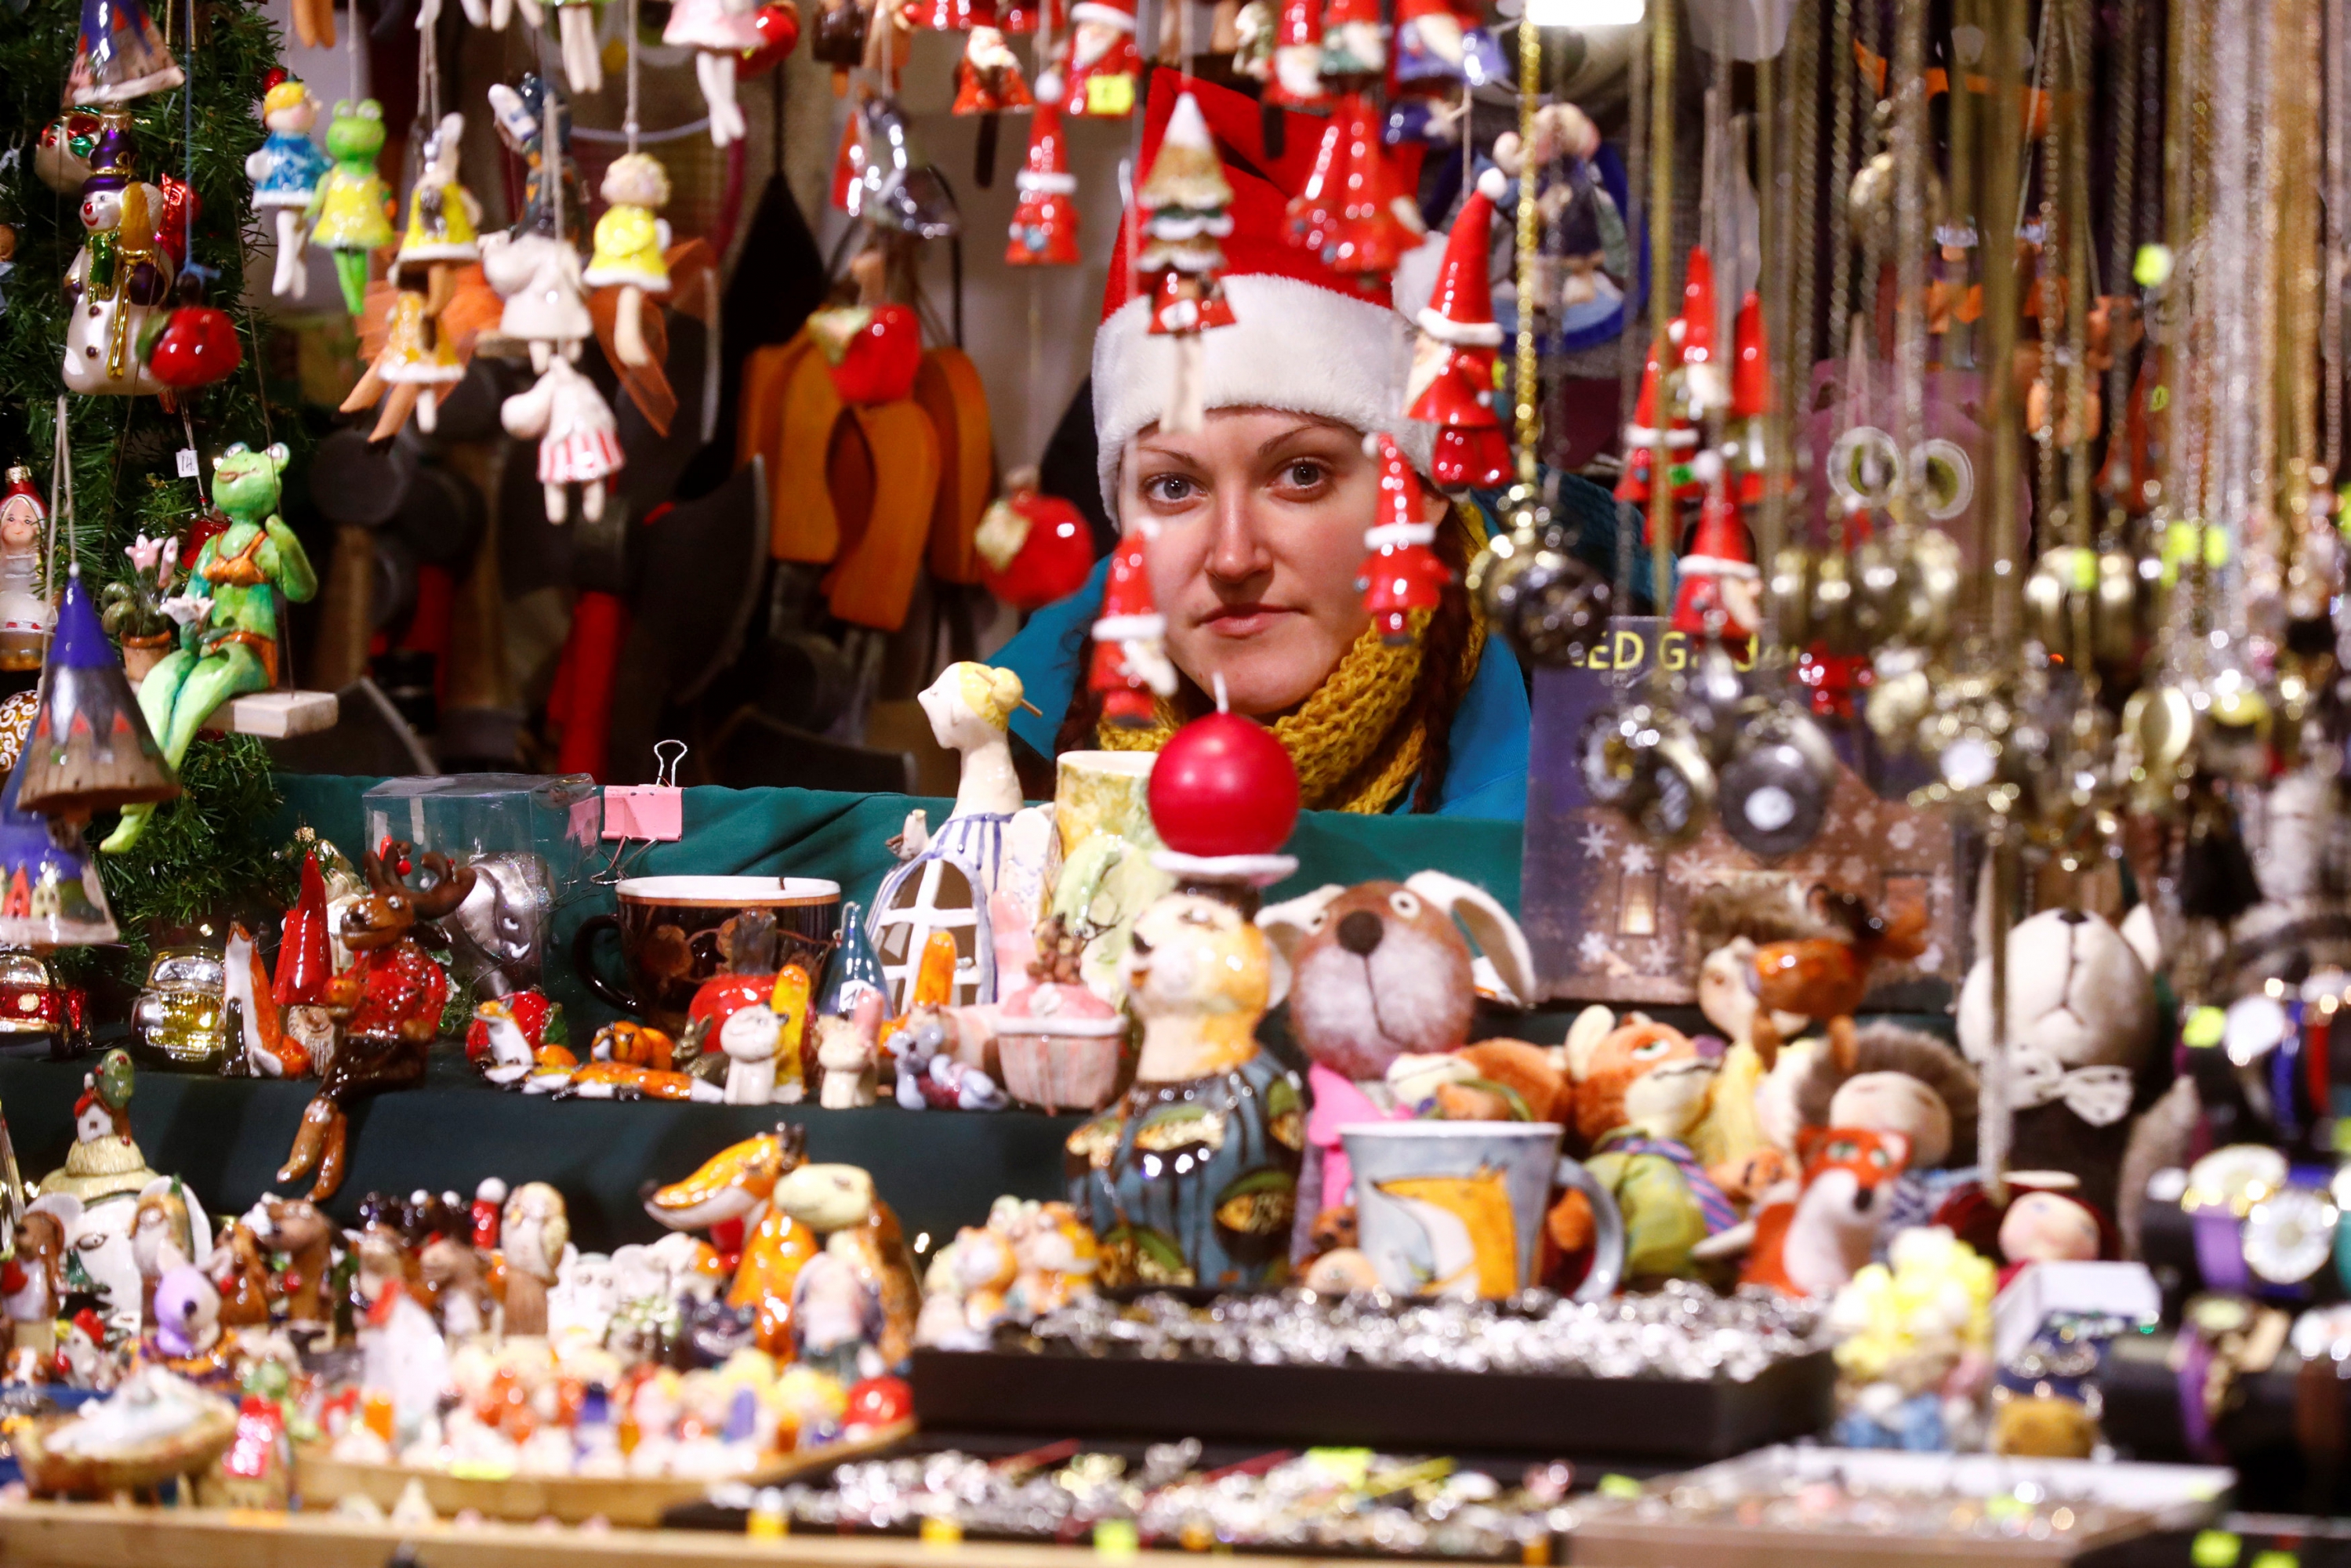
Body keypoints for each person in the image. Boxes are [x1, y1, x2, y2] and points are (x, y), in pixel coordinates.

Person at [991, 76, 1529, 820]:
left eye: (1300, 475)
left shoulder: (1583, 751)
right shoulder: (1006, 765)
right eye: (1174, 488)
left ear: (1426, 484)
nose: (1234, 558)